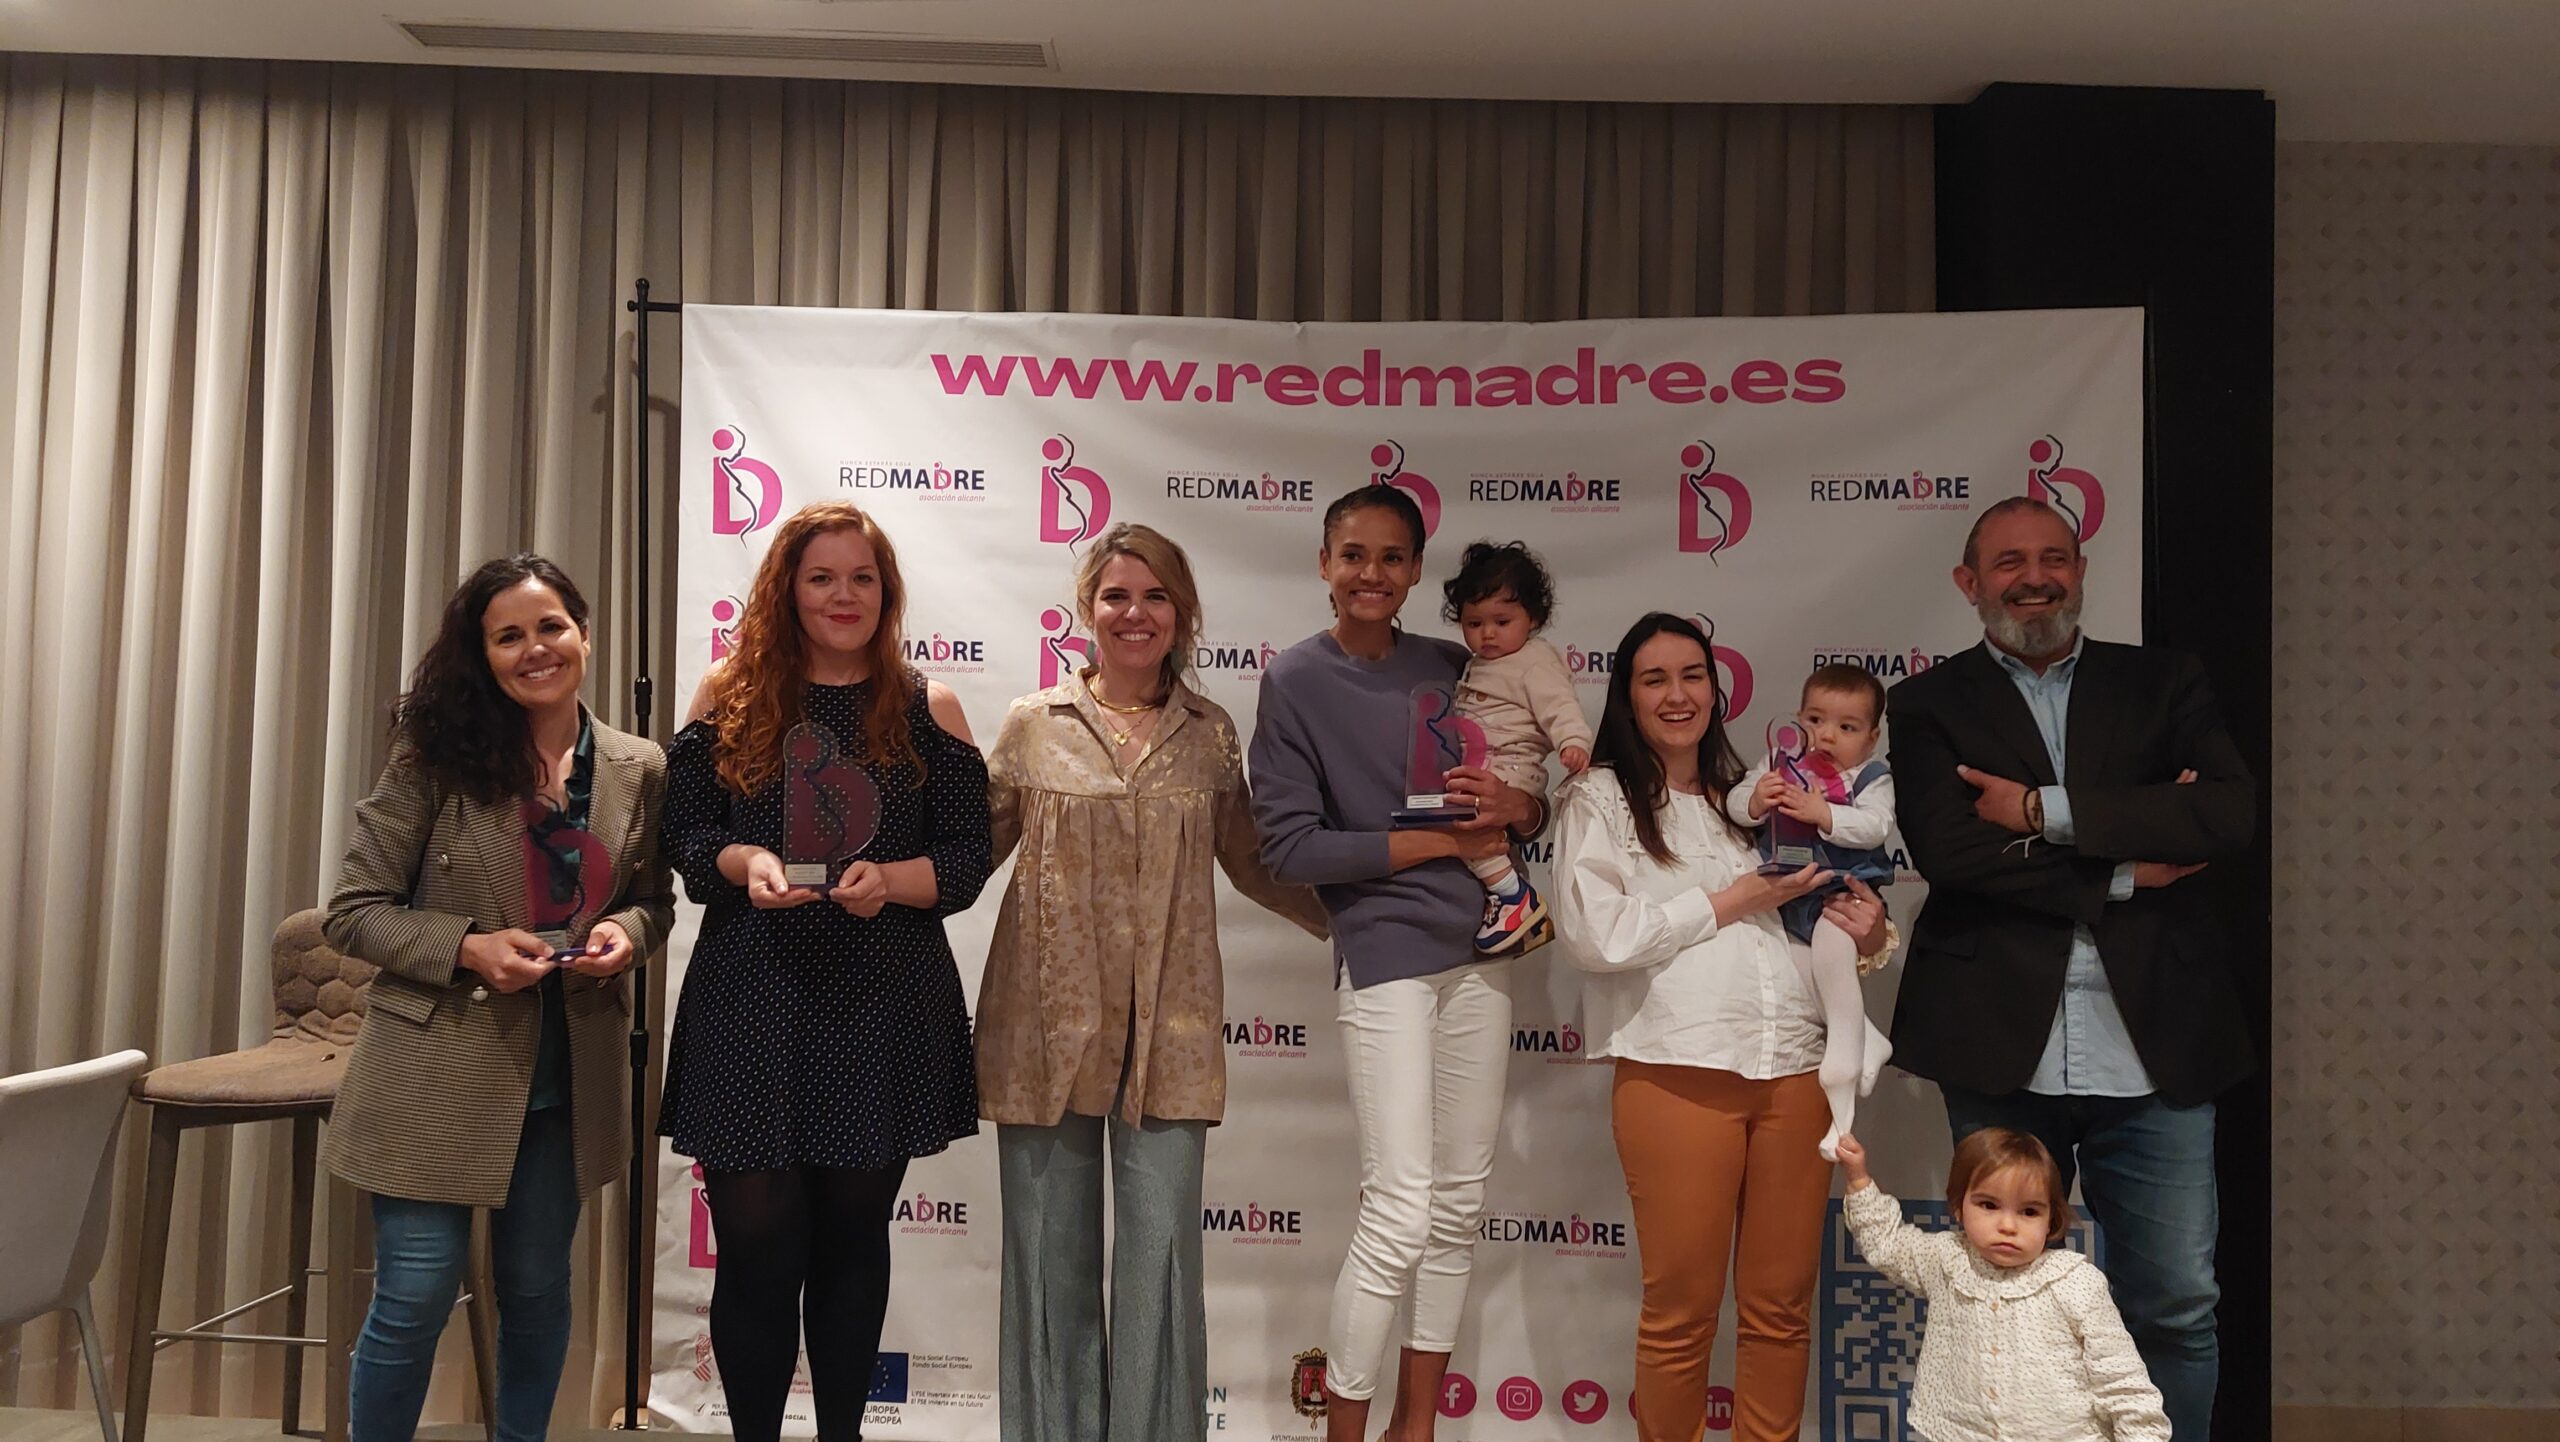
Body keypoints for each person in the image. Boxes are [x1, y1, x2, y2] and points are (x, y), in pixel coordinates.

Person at [1886, 495, 2255, 1442]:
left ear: (2083, 570)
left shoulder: (2165, 683)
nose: (2035, 577)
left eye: (2055, 557)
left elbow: (2223, 818)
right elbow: (1951, 853)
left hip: (2156, 1049)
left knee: (2175, 1302)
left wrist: (2042, 812)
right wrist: (2128, 866)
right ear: (1970, 585)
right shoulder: (1928, 703)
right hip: (2001, 1049)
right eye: (2009, 563)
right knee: (1995, 1304)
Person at [977, 523, 1328, 1442]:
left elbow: (1255, 863)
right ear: (1086, 609)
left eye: (1156, 597)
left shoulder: (1210, 735)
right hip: (1040, 1034)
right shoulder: (1032, 726)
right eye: (1116, 595)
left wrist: (1366, 925)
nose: (1135, 614)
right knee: (1047, 1260)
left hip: (1170, 1034)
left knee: (1162, 1263)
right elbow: (964, 854)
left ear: (1184, 615)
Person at [658, 502, 992, 1442]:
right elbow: (686, 840)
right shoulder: (727, 693)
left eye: (861, 578)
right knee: (757, 1250)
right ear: (786, 588)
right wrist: (745, 865)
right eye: (821, 577)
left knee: (851, 1245)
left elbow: (966, 861)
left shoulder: (930, 706)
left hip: (883, 1002)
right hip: (751, 994)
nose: (842, 596)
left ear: (885, 593)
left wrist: (889, 880)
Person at [324, 553, 672, 1442]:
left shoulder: (637, 765)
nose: (535, 650)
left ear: (584, 633)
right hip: (432, 1072)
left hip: (567, 1075)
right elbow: (354, 912)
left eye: (550, 626)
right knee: (413, 1296)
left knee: (537, 1292)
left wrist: (624, 938)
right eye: (507, 636)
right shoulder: (434, 756)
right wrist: (469, 948)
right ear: (482, 655)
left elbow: (651, 901)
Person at [1549, 612, 1895, 1442]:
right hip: (1679, 1069)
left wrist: (1875, 932)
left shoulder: (1761, 790)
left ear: (1717, 687)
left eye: (1693, 675)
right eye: (1654, 678)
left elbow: (1827, 910)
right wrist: (1727, 903)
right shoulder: (1601, 796)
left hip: (1798, 1070)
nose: (1678, 694)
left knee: (1780, 1308)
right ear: (1626, 696)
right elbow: (1597, 936)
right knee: (1682, 1308)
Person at [1247, 485, 1546, 1442]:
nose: (1371, 574)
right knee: (1401, 1207)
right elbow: (1289, 850)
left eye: (1391, 557)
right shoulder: (1295, 679)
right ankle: (1344, 1429)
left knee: (1458, 1206)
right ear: (1324, 564)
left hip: (1478, 954)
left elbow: (1525, 800)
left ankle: (1415, 1427)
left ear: (1418, 571)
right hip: (1383, 955)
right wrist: (1434, 848)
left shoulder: (1458, 665)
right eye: (1352, 555)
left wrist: (1514, 809)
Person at [1833, 1131, 2171, 1442]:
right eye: (1989, 1205)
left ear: (2051, 1220)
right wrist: (1859, 1179)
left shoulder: (2074, 1282)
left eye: (2029, 1211)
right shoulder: (1945, 1260)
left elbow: (2122, 1381)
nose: (2007, 1225)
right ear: (1958, 1207)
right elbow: (1888, 1244)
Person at [1725, 662, 1900, 1159]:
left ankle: (1840, 1097)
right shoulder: (1781, 764)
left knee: (1832, 956)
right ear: (1798, 719)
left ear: (1871, 736)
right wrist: (1757, 800)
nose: (1826, 736)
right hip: (1786, 894)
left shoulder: (1871, 775)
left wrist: (1824, 814)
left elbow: (1874, 826)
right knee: (1794, 968)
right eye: (1816, 720)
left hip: (1840, 892)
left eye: (1846, 728)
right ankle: (1868, 1037)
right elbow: (1737, 801)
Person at [1439, 540, 1593, 955]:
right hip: (1484, 763)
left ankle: (1512, 895)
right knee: (1456, 820)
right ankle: (1505, 893)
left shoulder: (1535, 660)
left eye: (1502, 621)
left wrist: (1574, 742)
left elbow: (1561, 707)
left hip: (1509, 768)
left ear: (1534, 618)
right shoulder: (1480, 662)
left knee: (1462, 821)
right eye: (1474, 623)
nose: (1487, 633)